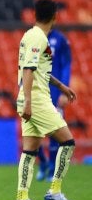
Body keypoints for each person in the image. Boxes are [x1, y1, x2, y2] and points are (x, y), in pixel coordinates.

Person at [13, 0, 77, 200]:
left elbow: (39, 70)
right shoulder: (39, 38)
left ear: (34, 14)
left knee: (30, 149)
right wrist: (29, 102)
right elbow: (28, 70)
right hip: (37, 98)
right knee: (67, 142)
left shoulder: (30, 36)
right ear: (55, 16)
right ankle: (55, 191)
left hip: (31, 96)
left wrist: (62, 87)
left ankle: (22, 197)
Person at [36, 28, 71, 182]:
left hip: (55, 93)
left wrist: (64, 91)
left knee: (54, 131)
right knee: (33, 132)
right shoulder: (32, 38)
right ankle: (43, 162)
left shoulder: (60, 39)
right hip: (36, 92)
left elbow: (66, 65)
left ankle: (51, 168)